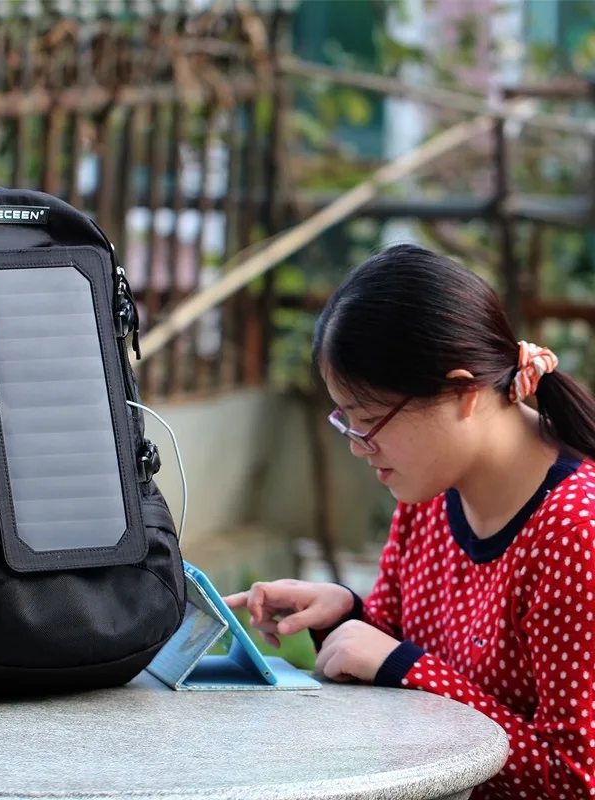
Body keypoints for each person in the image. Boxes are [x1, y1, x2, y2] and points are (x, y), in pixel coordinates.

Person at [225, 244, 595, 799]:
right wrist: (345, 615)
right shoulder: (427, 491)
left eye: (370, 420)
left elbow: (574, 779)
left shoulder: (574, 532)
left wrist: (403, 665)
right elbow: (394, 666)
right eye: (347, 421)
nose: (358, 446)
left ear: (463, 392)